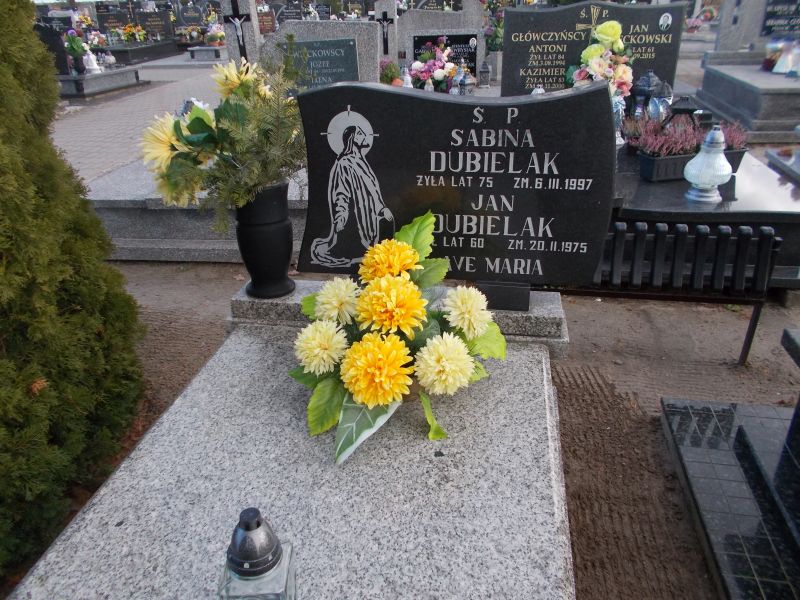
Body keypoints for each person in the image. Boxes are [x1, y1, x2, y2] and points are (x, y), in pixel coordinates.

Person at [311, 125, 393, 267]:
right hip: (354, 216)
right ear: (351, 139)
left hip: (368, 213)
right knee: (355, 249)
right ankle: (352, 250)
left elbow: (372, 189)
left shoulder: (361, 161)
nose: (364, 136)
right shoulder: (344, 163)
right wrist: (341, 215)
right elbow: (341, 192)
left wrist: (381, 208)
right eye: (360, 133)